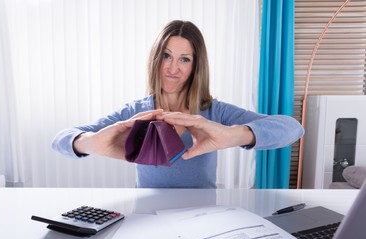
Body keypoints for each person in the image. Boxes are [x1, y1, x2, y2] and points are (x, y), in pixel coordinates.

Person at [52, 20, 304, 188]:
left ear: (196, 66)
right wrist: (88, 143)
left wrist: (234, 136)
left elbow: (293, 128)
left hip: (202, 216)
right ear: (155, 59)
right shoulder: (134, 112)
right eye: (166, 56)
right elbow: (60, 139)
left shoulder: (214, 111)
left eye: (184, 59)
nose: (173, 68)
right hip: (148, 215)